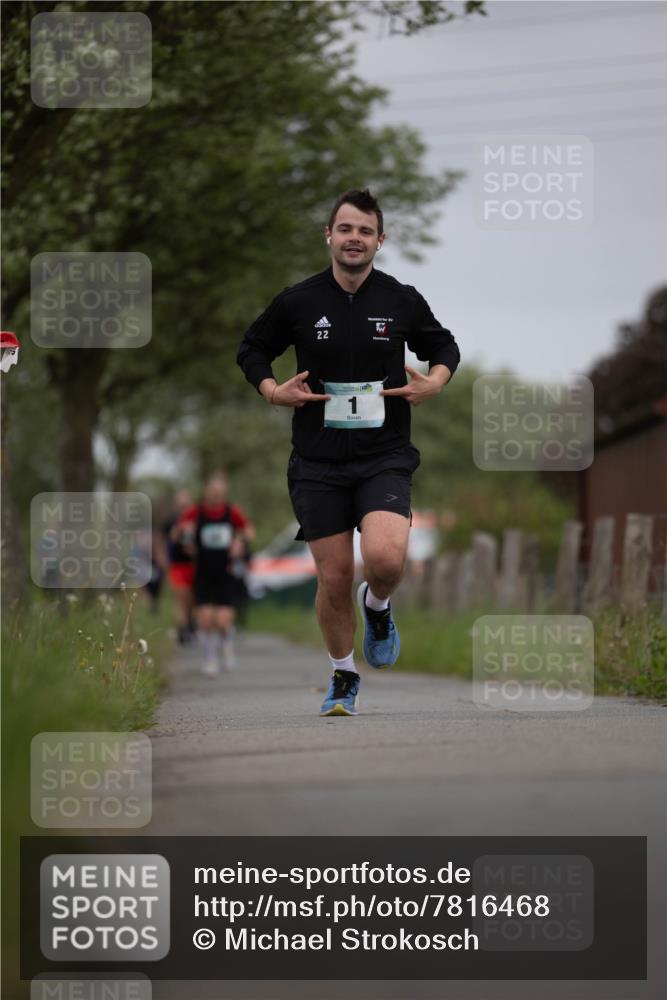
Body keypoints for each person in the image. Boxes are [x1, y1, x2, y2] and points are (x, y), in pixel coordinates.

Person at [237, 188, 460, 717]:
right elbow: (251, 349)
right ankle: (343, 675)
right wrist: (272, 390)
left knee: (384, 558)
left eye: (365, 230)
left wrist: (435, 382)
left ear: (379, 240)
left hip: (384, 453)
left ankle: (378, 607)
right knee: (333, 577)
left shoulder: (401, 299)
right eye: (345, 229)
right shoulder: (298, 301)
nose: (354, 238)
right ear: (329, 236)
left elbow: (444, 345)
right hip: (317, 460)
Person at [177, 472, 254, 677]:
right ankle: (210, 659)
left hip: (225, 572)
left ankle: (227, 648)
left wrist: (239, 542)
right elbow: (177, 533)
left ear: (224, 493)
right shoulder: (196, 512)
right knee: (205, 619)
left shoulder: (231, 512)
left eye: (220, 492)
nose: (216, 495)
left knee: (222, 621)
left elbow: (248, 530)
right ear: (207, 491)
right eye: (213, 491)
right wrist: (186, 537)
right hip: (203, 571)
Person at [163, 489, 196, 643]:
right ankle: (181, 629)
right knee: (180, 598)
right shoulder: (171, 521)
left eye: (186, 504)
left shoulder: (196, 520)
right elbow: (165, 541)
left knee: (191, 598)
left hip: (194, 564)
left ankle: (191, 623)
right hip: (177, 565)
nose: (183, 507)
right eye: (180, 504)